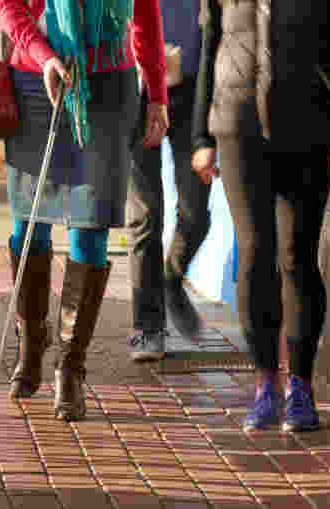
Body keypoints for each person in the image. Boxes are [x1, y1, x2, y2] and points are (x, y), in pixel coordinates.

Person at [191, 0, 330, 432]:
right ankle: (265, 384)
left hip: (308, 121)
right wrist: (201, 135)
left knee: (297, 256)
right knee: (254, 253)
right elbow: (210, 43)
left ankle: (301, 387)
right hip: (237, 123)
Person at [0, 0, 168, 421]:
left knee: (91, 225)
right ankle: (31, 344)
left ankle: (70, 366)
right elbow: (4, 5)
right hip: (34, 82)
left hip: (108, 90)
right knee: (29, 224)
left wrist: (157, 95)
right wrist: (44, 55)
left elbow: (146, 13)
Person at [126, 0, 210, 361]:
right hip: (138, 92)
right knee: (146, 215)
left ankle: (171, 278)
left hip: (192, 94)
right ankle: (147, 327)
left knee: (196, 212)